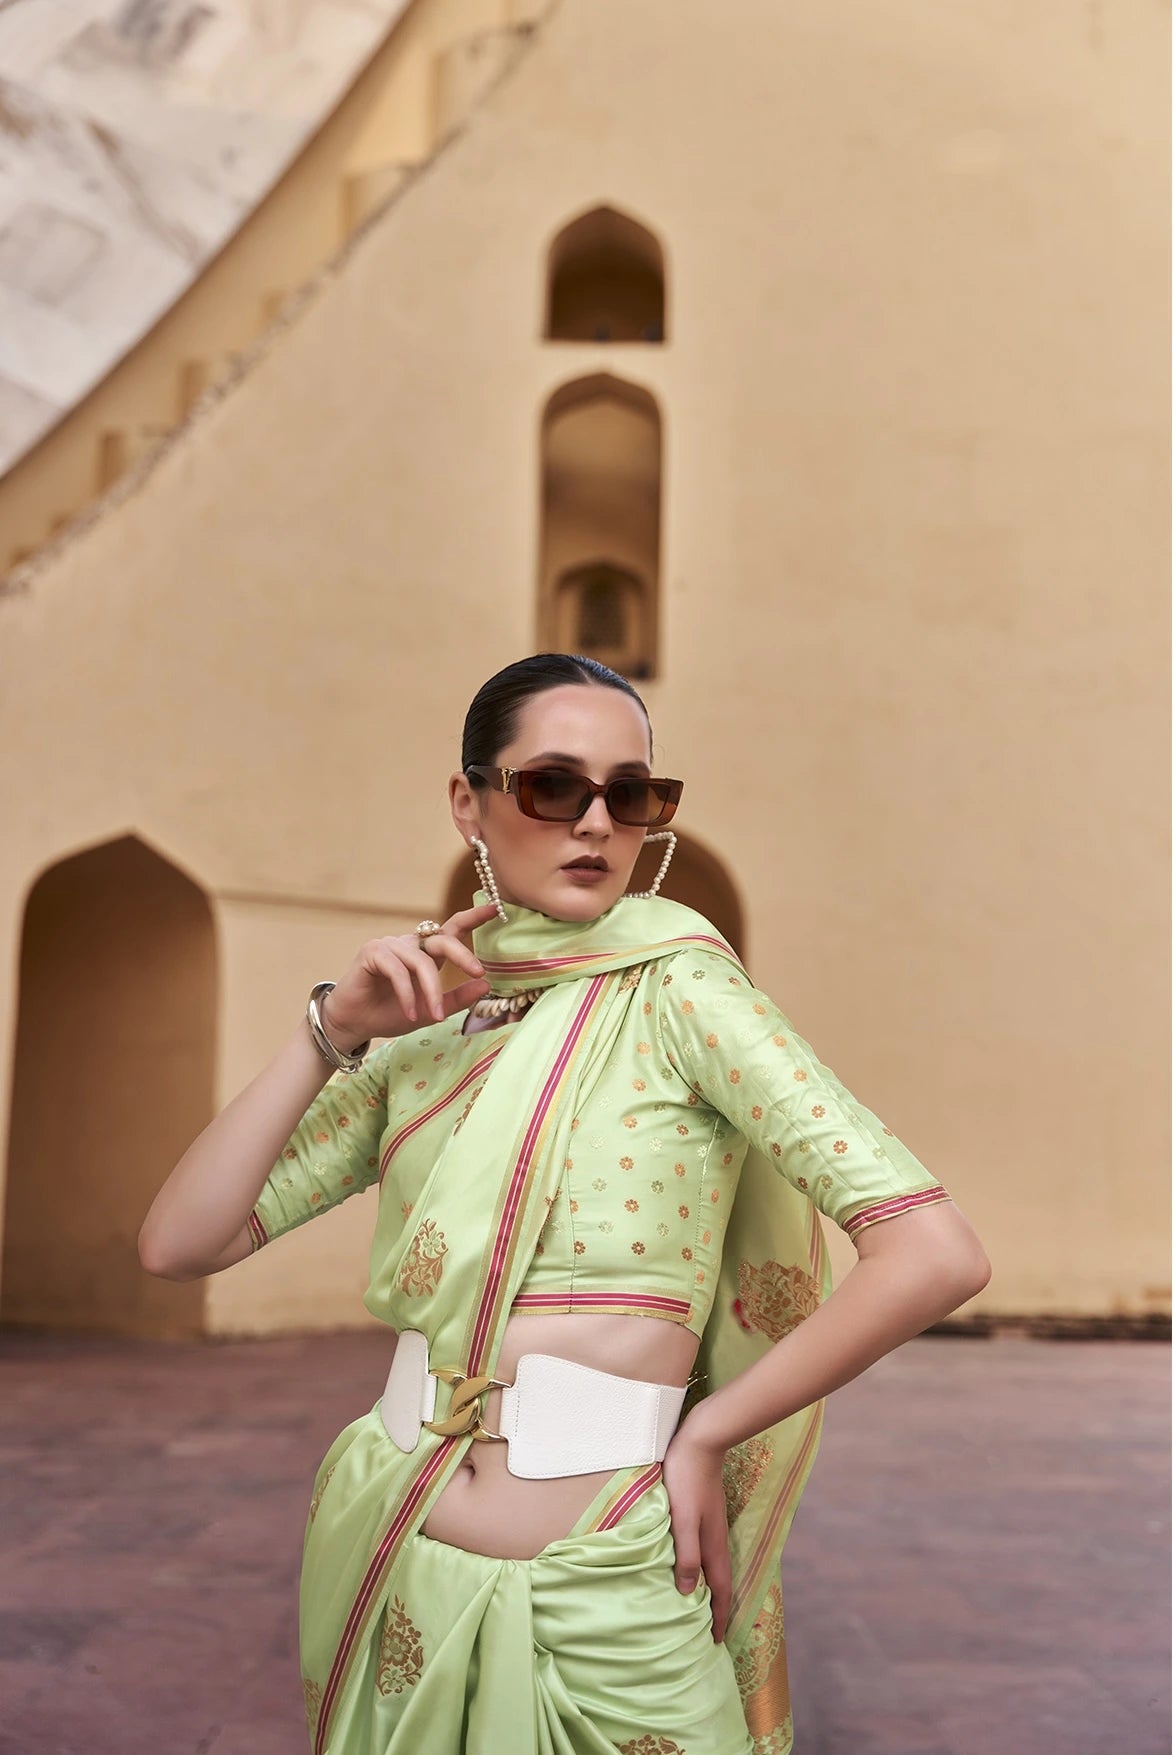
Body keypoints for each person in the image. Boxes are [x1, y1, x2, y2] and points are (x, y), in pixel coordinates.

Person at [140, 652, 991, 1755]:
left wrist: (708, 1436)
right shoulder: (428, 1031)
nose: (596, 821)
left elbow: (934, 1252)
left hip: (609, 1571)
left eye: (630, 794)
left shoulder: (682, 989)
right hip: (393, 1537)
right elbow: (181, 1241)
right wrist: (333, 1033)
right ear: (471, 803)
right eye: (554, 786)